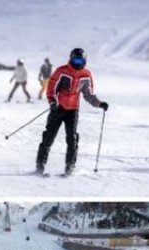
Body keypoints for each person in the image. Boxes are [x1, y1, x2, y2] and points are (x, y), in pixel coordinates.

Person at [35, 47, 107, 176]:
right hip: (58, 109)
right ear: (71, 59)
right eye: (75, 60)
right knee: (48, 137)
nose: (77, 63)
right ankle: (40, 166)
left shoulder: (86, 75)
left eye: (80, 61)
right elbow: (51, 88)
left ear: (84, 61)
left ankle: (70, 166)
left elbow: (88, 95)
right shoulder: (61, 71)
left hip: (72, 111)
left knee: (72, 139)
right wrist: (52, 102)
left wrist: (99, 104)